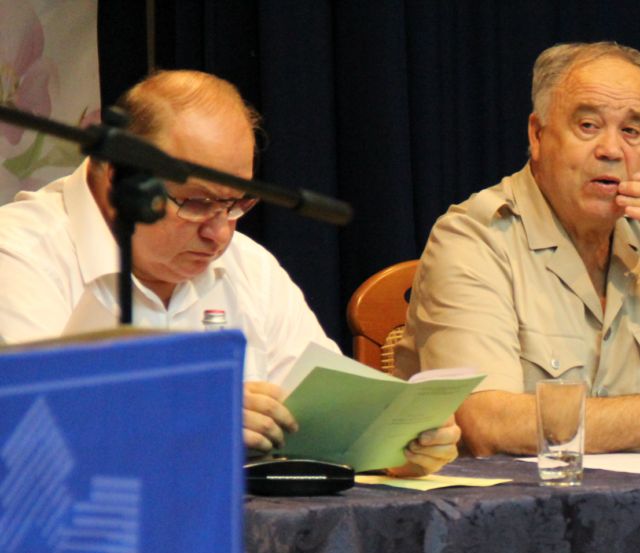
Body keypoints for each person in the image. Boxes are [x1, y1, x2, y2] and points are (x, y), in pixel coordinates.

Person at [0, 69, 458, 476]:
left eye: (237, 203)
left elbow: (327, 413)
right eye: (196, 203)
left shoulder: (248, 265)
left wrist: (393, 445)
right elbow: (27, 431)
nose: (219, 233)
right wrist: (192, 417)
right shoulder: (21, 253)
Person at [406, 42, 640, 455]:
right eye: (588, 126)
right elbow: (487, 424)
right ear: (537, 135)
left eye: (631, 132)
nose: (611, 150)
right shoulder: (474, 238)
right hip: (523, 494)